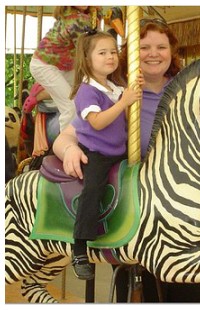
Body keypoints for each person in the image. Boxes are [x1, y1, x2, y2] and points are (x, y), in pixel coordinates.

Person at [53, 19, 200, 301]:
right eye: (144, 47)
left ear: (172, 51)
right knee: (144, 289)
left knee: (192, 288)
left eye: (161, 46)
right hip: (144, 211)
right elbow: (67, 135)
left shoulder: (193, 90)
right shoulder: (116, 92)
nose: (153, 53)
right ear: (130, 52)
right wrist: (69, 149)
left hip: (192, 209)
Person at [68, 30, 143, 281]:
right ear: (87, 59)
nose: (110, 57)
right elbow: (97, 122)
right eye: (103, 53)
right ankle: (79, 247)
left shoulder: (113, 86)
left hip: (120, 152)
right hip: (98, 153)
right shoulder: (87, 91)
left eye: (113, 51)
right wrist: (124, 103)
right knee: (93, 190)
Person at [29, 6, 102, 132]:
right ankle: (64, 145)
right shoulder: (75, 19)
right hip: (45, 65)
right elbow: (88, 47)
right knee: (70, 106)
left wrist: (97, 12)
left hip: (63, 66)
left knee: (85, 90)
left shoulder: (83, 15)